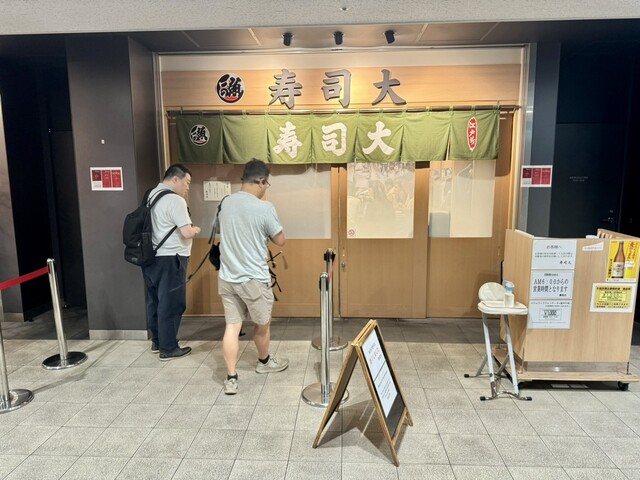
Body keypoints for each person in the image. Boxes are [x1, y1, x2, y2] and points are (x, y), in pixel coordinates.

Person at [218, 159, 288, 395]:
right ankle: (264, 362)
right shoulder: (264, 207)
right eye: (266, 184)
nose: (265, 188)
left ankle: (231, 377)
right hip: (254, 278)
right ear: (261, 181)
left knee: (232, 326)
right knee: (262, 324)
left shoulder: (226, 202)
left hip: (227, 277)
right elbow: (280, 240)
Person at [142, 164, 201, 361]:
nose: (187, 188)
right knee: (172, 303)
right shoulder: (175, 200)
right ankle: (168, 348)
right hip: (171, 258)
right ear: (175, 179)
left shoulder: (151, 195)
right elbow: (186, 232)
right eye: (187, 182)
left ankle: (158, 341)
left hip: (151, 257)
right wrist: (195, 230)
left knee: (155, 300)